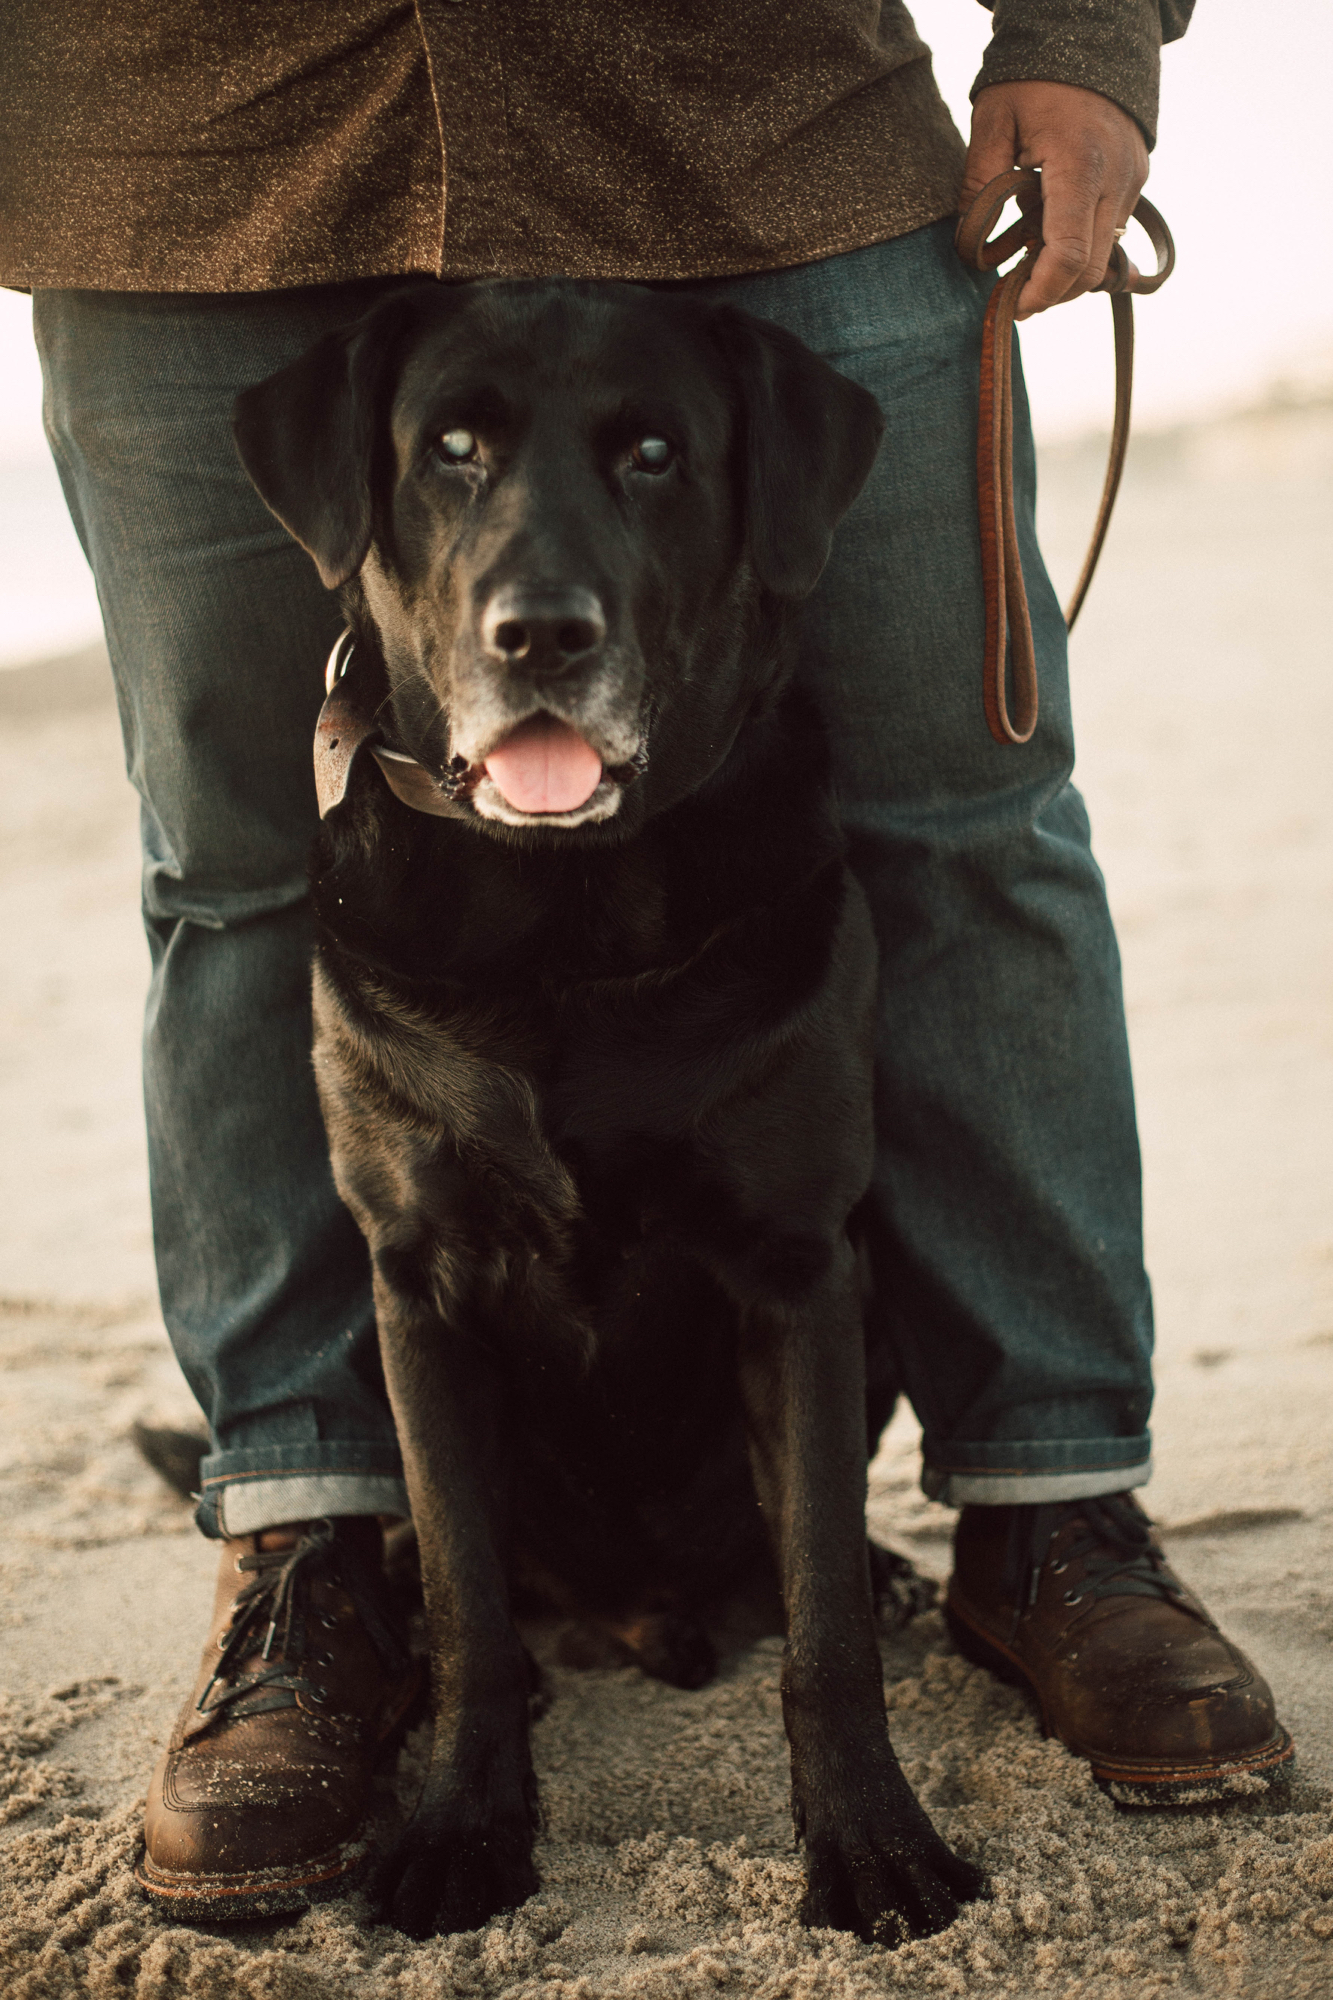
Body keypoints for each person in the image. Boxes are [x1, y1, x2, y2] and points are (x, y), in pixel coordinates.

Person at [2, 0, 1293, 1926]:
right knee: (243, 869)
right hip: (183, 155)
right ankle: (310, 1540)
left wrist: (1089, 31)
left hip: (751, 116)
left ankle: (1049, 1503)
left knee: (965, 810)